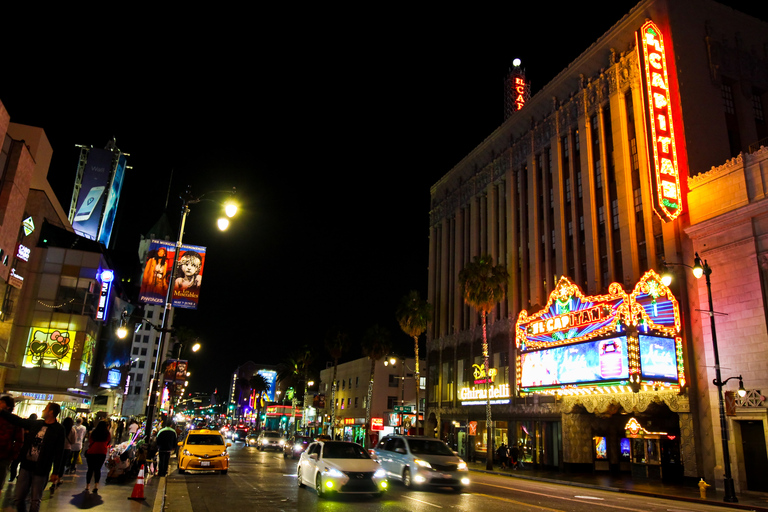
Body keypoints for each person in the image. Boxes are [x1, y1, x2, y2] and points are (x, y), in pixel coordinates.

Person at [0, 402, 65, 512]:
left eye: (45, 409)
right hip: (26, 465)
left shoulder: (58, 429)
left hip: (41, 468)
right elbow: (19, 421)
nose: (43, 411)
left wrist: (56, 472)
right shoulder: (37, 424)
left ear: (51, 412)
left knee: (35, 500)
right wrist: (3, 412)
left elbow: (59, 451)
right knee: (18, 498)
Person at [0, 396, 23, 487]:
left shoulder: (14, 420)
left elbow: (19, 440)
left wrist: (13, 455)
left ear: (8, 406)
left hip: (4, 455)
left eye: (2, 402)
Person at [84, 420, 111, 494]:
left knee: (90, 469)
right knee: (97, 469)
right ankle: (96, 486)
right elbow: (108, 441)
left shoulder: (93, 432)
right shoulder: (107, 433)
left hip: (92, 452)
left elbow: (90, 441)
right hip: (102, 452)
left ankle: (87, 485)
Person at [8, 413, 36, 483]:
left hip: (20, 448)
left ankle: (12, 476)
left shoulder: (24, 425)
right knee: (22, 464)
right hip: (26, 449)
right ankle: (19, 476)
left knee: (15, 464)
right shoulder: (34, 427)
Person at [54, 417, 76, 488]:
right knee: (62, 464)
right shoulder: (72, 430)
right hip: (67, 449)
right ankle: (59, 479)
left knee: (56, 463)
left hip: (58, 448)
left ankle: (54, 480)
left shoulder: (60, 428)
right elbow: (73, 441)